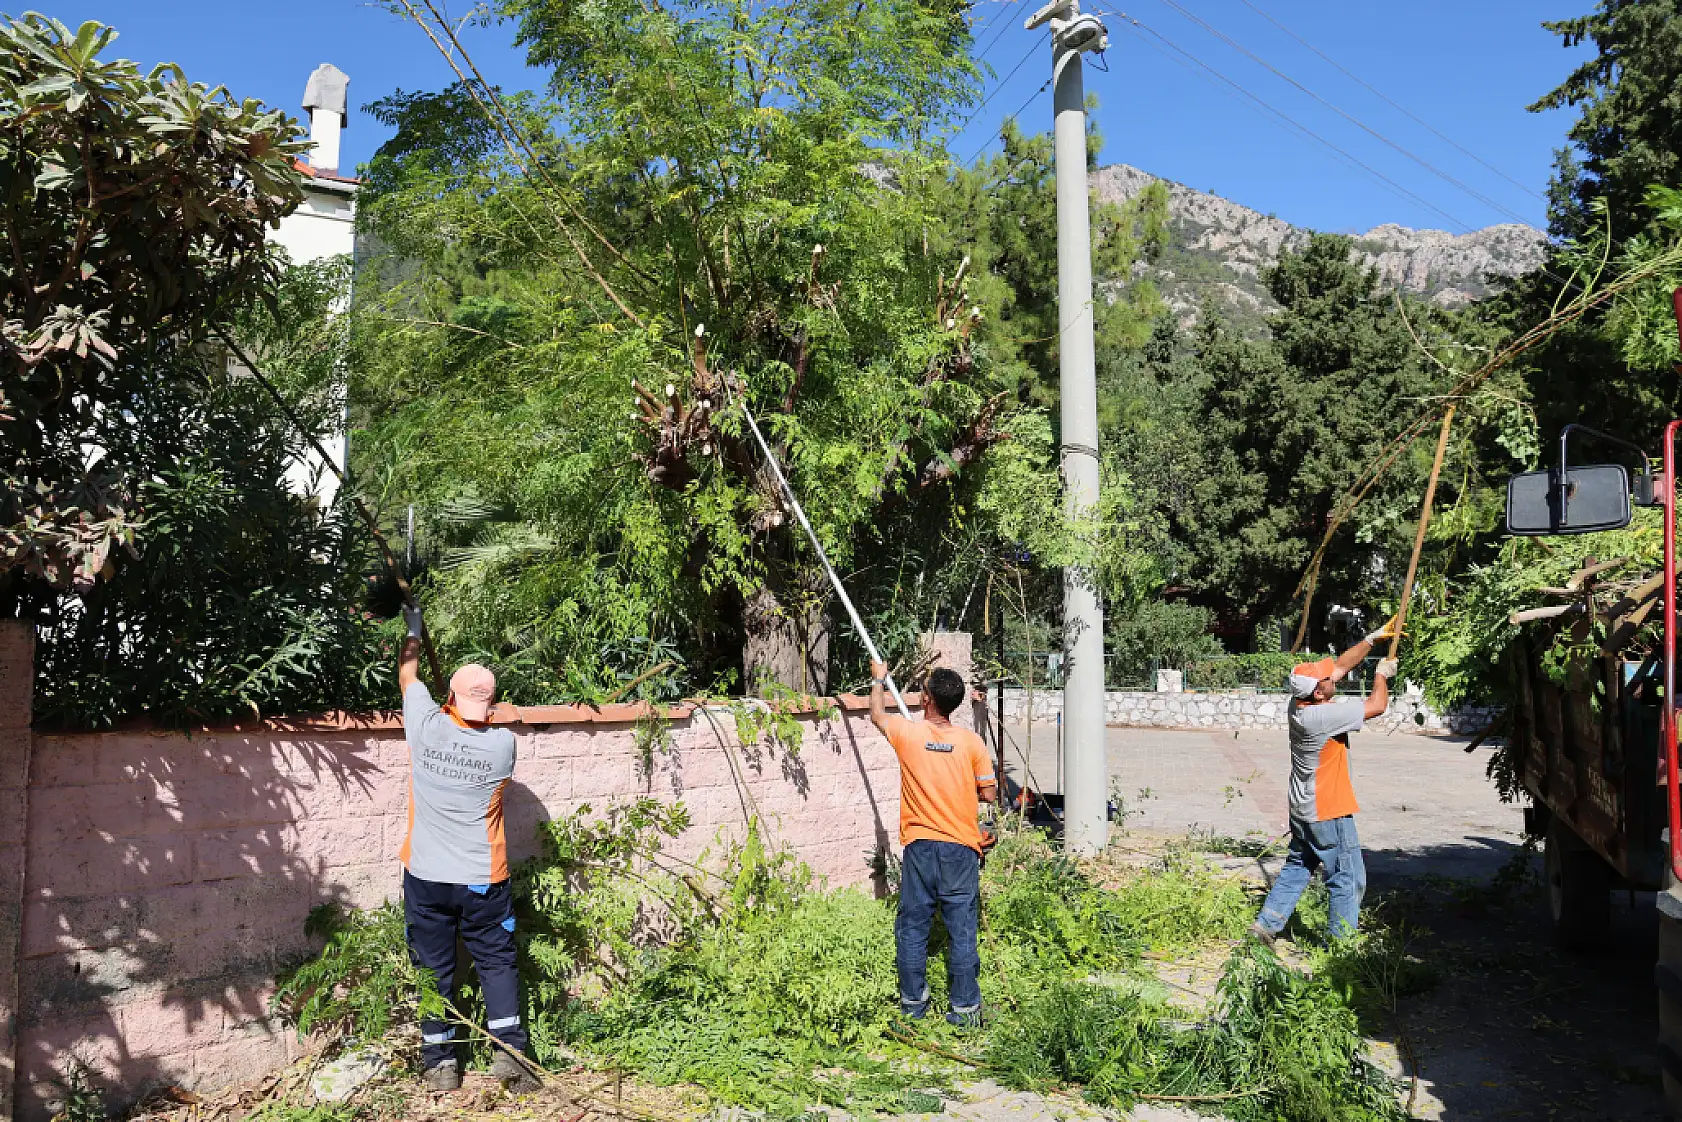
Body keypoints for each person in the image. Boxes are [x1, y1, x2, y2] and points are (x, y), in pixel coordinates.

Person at [397, 604, 539, 1093]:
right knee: (497, 964)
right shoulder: (502, 747)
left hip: (427, 877)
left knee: (434, 969)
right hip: (483, 880)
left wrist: (414, 629)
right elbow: (474, 723)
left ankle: (440, 1066)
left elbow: (407, 674)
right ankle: (512, 1059)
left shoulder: (424, 725)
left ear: (450, 697)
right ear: (492, 703)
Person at [1249, 622, 1400, 944]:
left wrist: (1371, 640)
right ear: (1318, 692)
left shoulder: (1300, 704)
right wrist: (1381, 676)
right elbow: (1377, 706)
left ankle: (1266, 926)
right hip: (1327, 809)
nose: (1333, 676)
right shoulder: (1322, 718)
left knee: (1298, 865)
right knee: (1347, 876)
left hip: (1302, 807)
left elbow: (1342, 665)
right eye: (1326, 679)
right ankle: (1341, 948)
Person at [868, 659, 997, 1026]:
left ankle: (913, 1007)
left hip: (921, 849)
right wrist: (956, 784)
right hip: (961, 850)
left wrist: (879, 679)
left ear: (926, 699)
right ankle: (965, 1011)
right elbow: (988, 793)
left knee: (913, 927)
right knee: (961, 929)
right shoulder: (971, 743)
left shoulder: (908, 736)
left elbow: (877, 714)